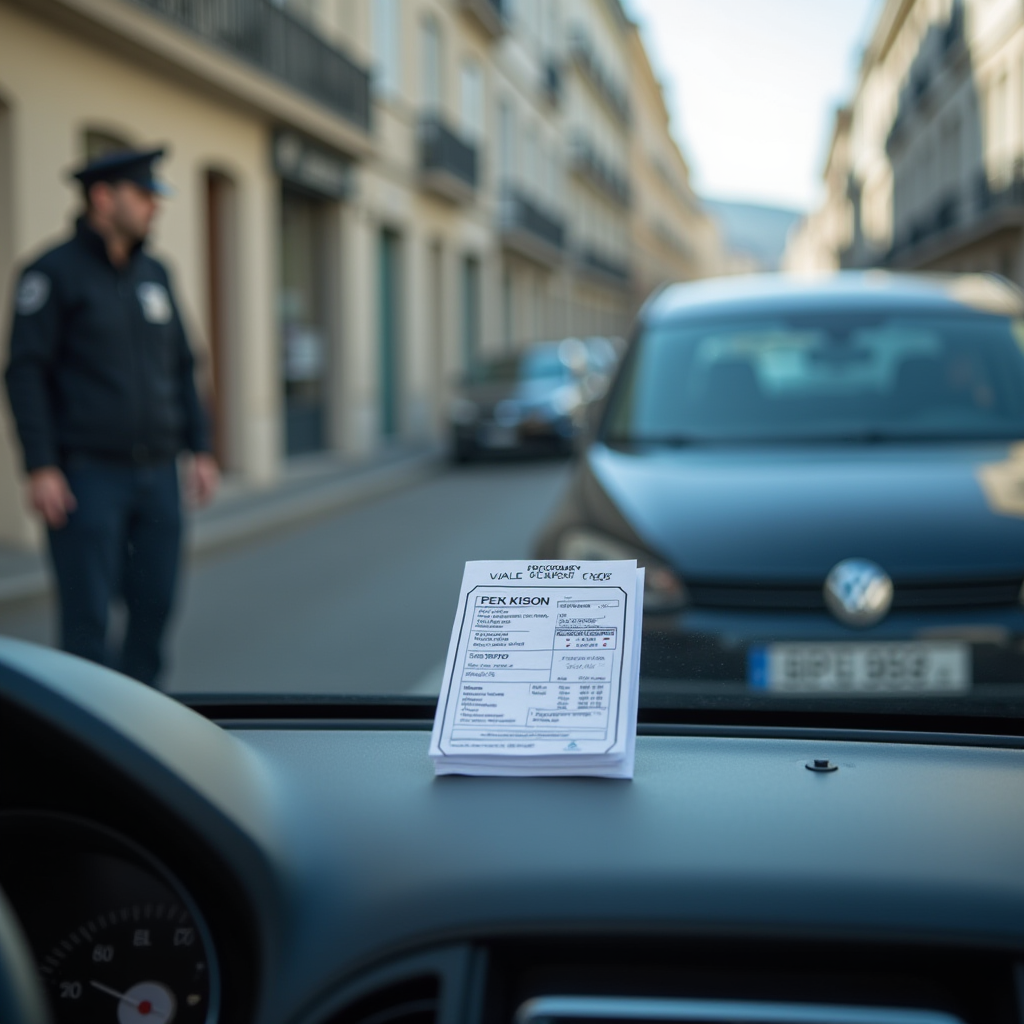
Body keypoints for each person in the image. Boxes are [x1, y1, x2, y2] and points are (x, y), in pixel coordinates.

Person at [4, 147, 219, 686]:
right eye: (144, 195)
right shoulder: (51, 273)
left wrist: (203, 447)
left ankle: (142, 730)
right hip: (86, 476)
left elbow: (183, 365)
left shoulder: (156, 273)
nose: (155, 207)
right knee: (87, 620)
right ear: (104, 198)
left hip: (158, 476)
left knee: (156, 607)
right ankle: (91, 748)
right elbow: (25, 374)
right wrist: (41, 465)